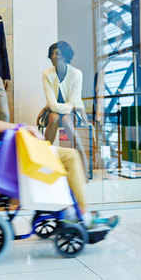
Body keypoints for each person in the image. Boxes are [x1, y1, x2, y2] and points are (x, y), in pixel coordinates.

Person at [0, 27, 96, 227]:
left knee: (59, 152)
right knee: (69, 157)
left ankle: (69, 209)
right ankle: (82, 216)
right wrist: (22, 127)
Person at [38, 41, 90, 182]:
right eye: (52, 54)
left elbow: (73, 101)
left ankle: (83, 161)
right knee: (54, 118)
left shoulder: (76, 73)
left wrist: (68, 108)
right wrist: (54, 107)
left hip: (73, 112)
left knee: (66, 119)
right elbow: (53, 106)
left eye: (58, 53)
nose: (53, 57)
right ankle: (44, 162)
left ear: (66, 56)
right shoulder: (46, 74)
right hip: (59, 111)